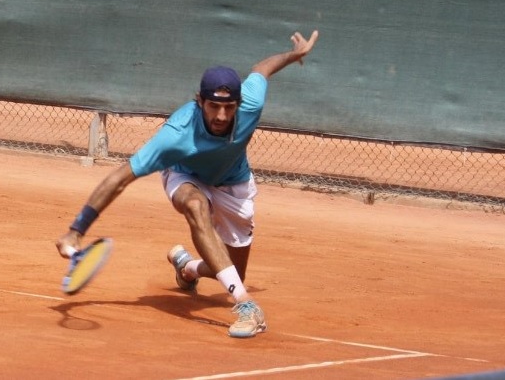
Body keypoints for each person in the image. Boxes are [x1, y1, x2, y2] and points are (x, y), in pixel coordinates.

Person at [56, 30, 319, 338]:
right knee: (195, 206)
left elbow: (262, 69)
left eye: (229, 107)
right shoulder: (175, 135)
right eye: (213, 107)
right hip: (185, 175)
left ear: (239, 103)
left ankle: (187, 267)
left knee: (233, 270)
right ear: (200, 101)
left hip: (234, 182)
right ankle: (246, 306)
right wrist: (76, 230)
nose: (221, 115)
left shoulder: (250, 104)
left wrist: (293, 55)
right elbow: (119, 178)